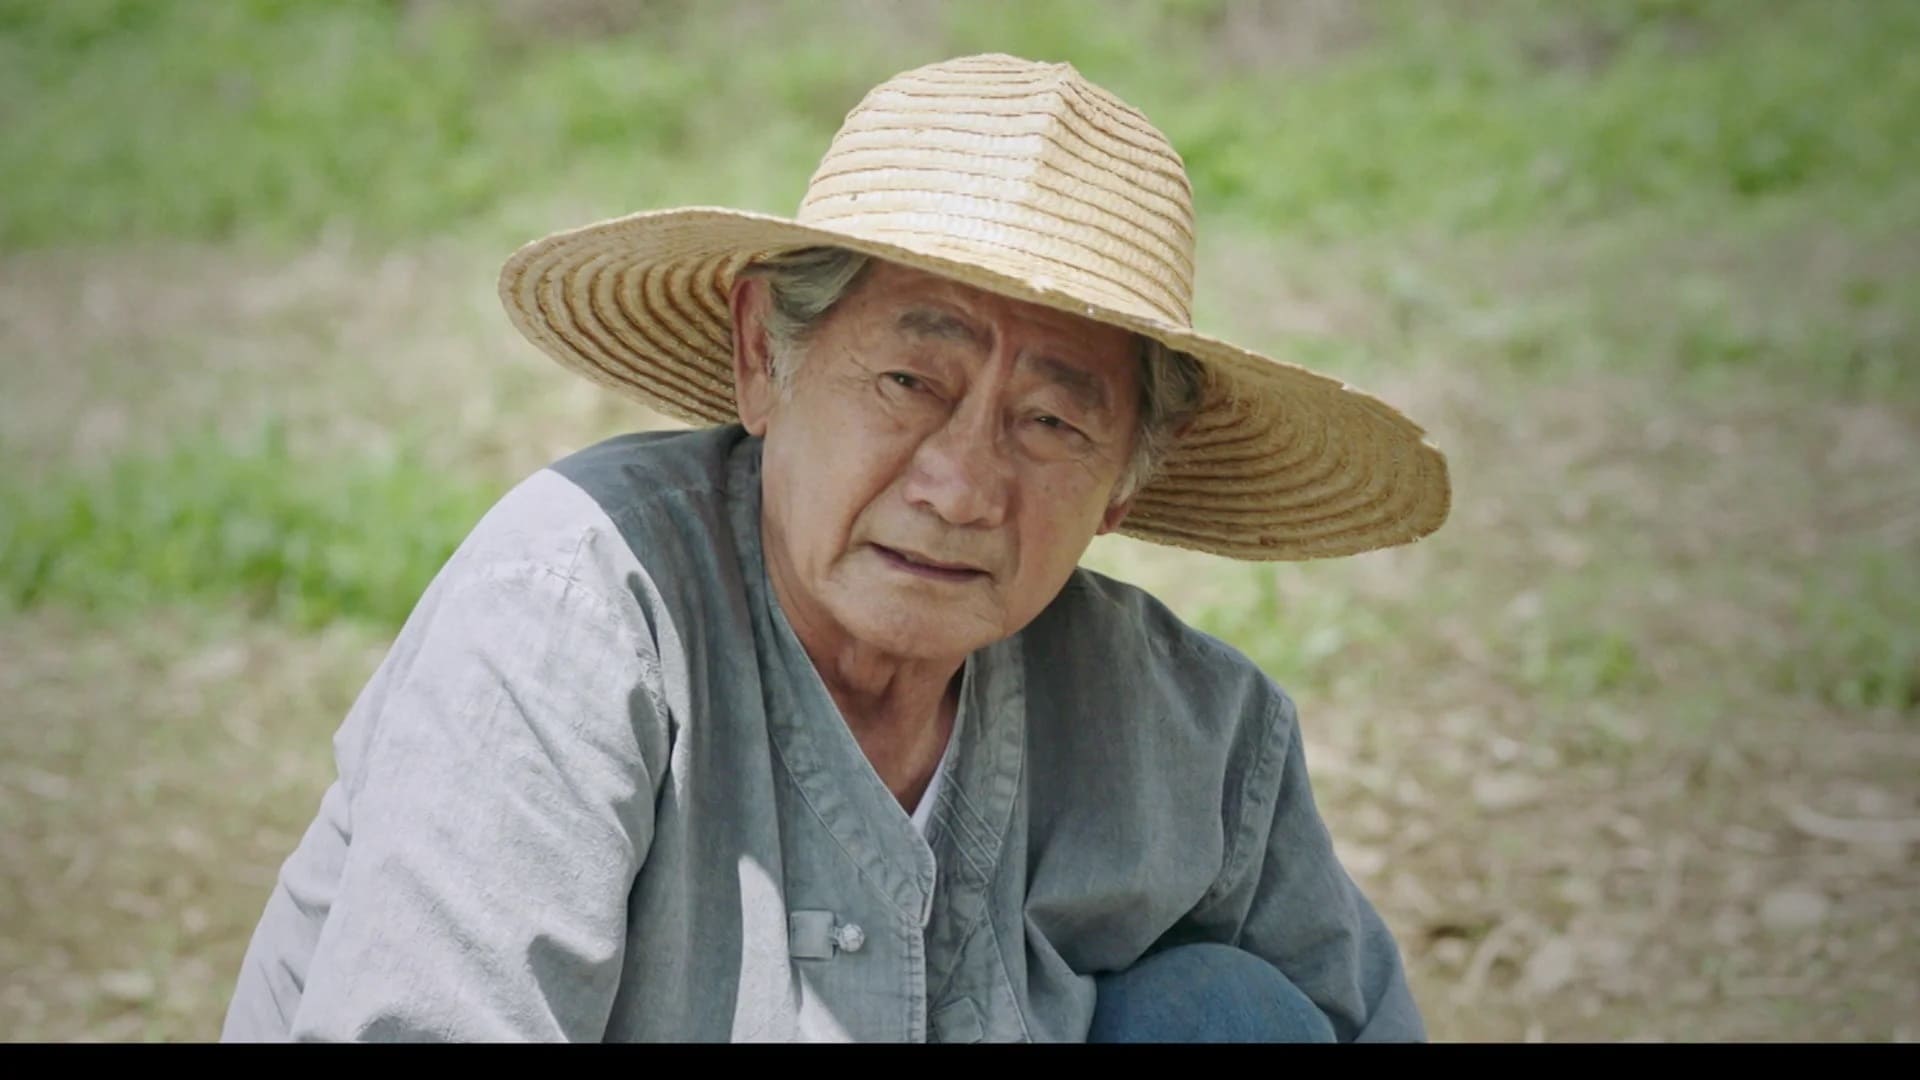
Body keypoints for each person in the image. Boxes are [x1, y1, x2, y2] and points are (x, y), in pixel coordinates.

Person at [220, 53, 1450, 1043]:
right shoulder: (574, 609)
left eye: (1051, 422)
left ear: (1125, 484)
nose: (961, 488)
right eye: (910, 380)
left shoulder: (1193, 734)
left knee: (1223, 1014)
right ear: (765, 357)